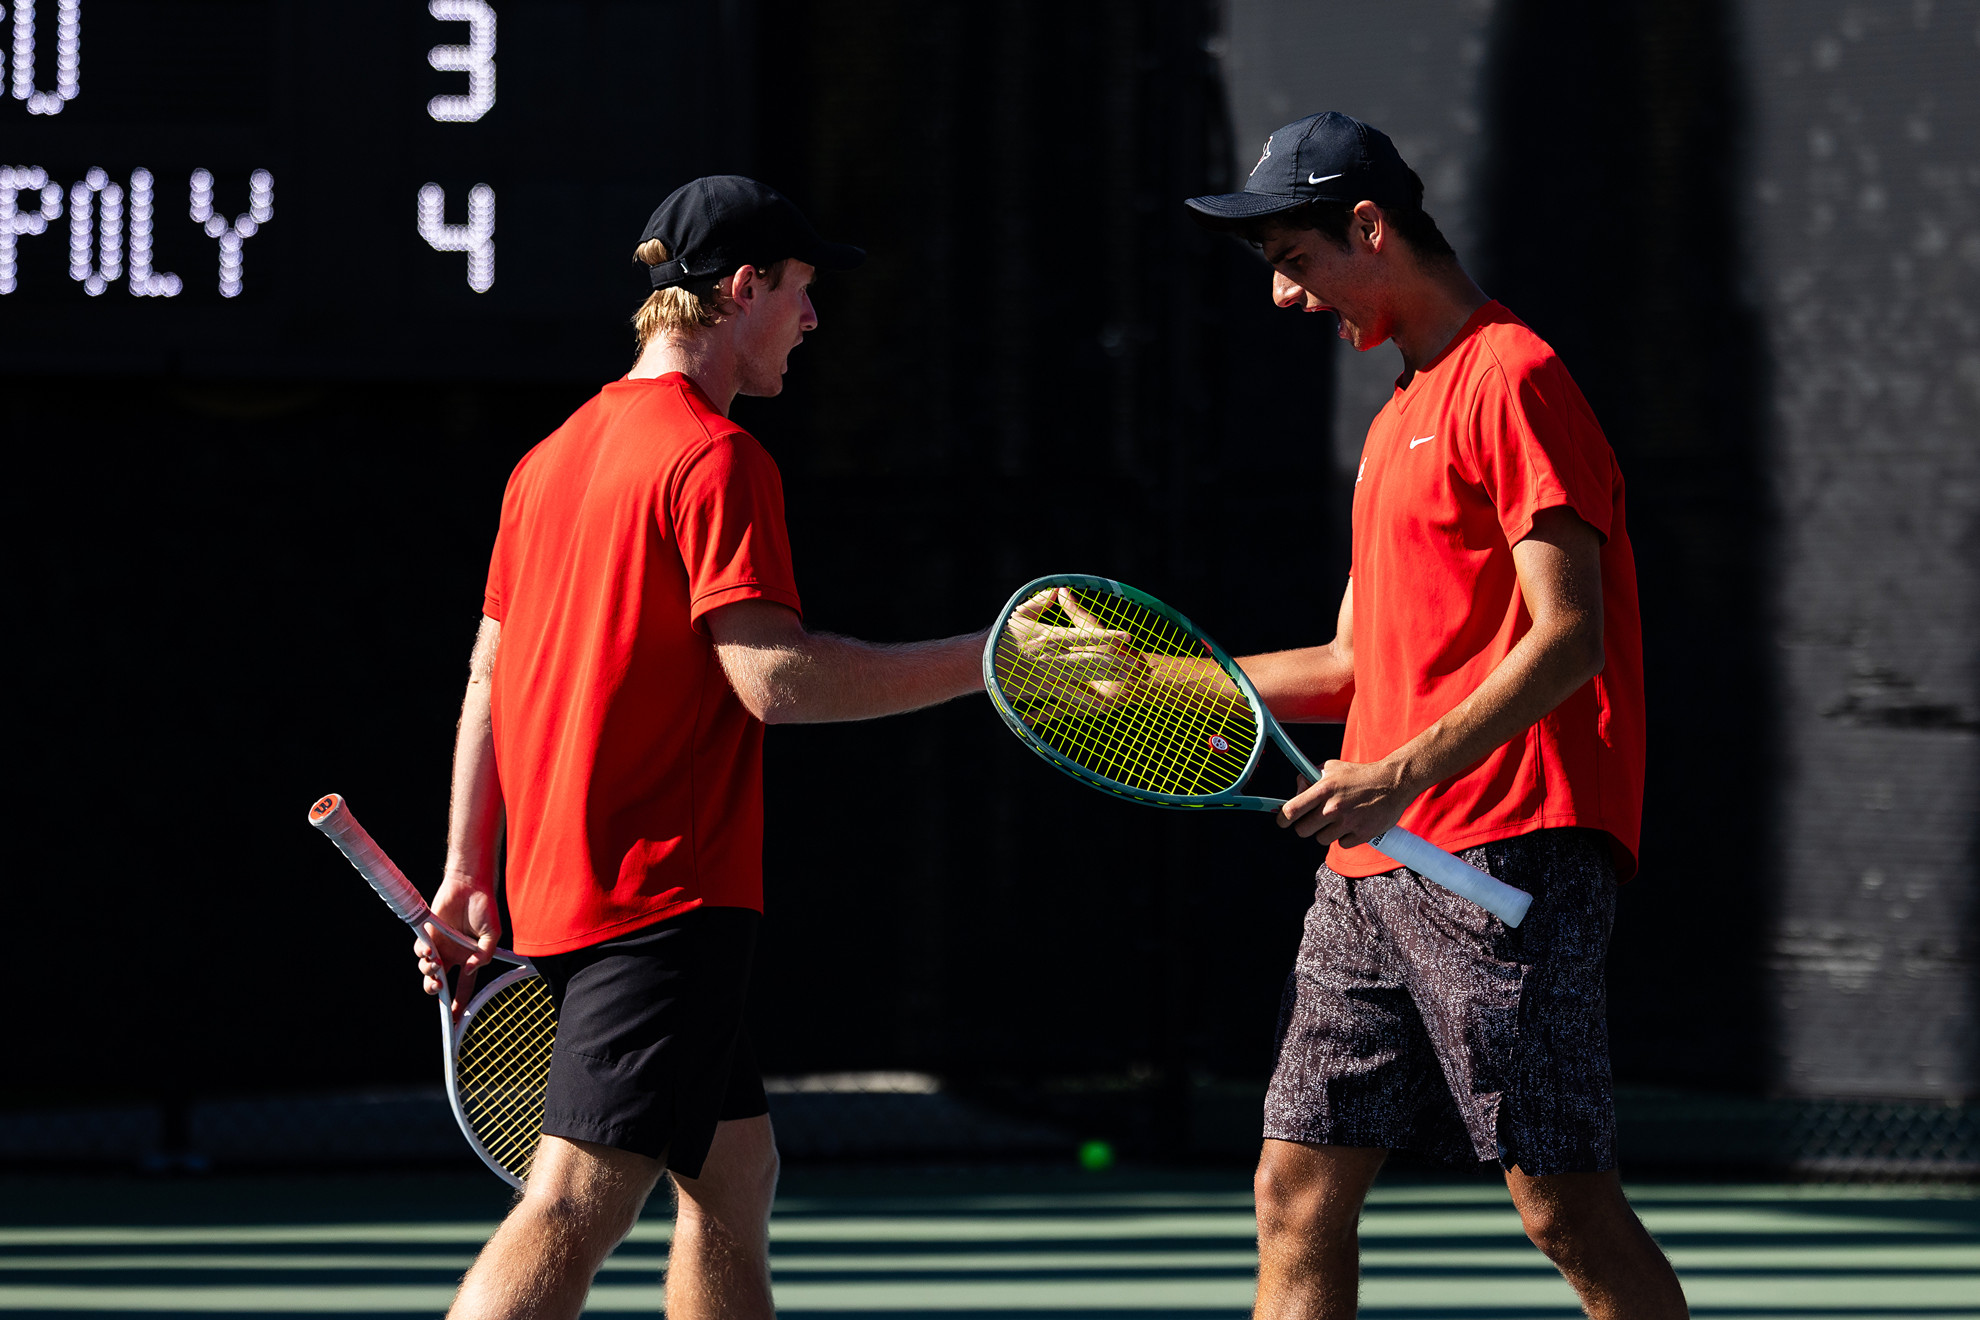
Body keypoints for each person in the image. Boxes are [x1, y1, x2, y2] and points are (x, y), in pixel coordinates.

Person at [414, 175, 988, 1320]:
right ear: (743, 288)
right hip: (662, 901)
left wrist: (469, 868)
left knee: (731, 1175)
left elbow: (486, 677)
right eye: (802, 292)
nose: (812, 320)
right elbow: (778, 683)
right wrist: (991, 659)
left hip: (563, 892)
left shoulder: (546, 461)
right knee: (572, 1204)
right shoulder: (716, 458)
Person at [1182, 113, 1687, 1319]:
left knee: (1561, 1206)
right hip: (1369, 871)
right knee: (1295, 1191)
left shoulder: (1514, 378)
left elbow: (1570, 637)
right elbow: (1355, 661)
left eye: (1296, 263)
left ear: (1370, 227)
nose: (1285, 298)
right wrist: (1172, 681)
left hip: (1506, 860)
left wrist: (1398, 774)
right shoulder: (1393, 419)